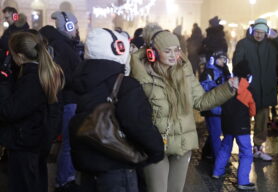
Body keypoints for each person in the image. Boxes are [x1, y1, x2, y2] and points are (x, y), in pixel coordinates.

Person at [130, 23, 238, 192]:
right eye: (168, 51)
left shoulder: (185, 71)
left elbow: (201, 101)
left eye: (177, 50)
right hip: (155, 145)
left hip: (182, 144)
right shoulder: (141, 72)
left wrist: (227, 89)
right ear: (153, 53)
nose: (174, 56)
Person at [69, 28, 164, 192]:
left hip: (86, 168)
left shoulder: (79, 81)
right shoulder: (125, 85)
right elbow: (137, 124)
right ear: (118, 49)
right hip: (118, 168)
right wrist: (156, 150)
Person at [0, 32, 64, 192]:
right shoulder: (44, 73)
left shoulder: (32, 80)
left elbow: (9, 110)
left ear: (20, 56)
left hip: (26, 144)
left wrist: (4, 82)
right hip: (35, 142)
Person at [232, 18, 278, 161]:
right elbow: (237, 63)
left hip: (266, 89)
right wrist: (245, 78)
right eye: (257, 32)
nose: (259, 35)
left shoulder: (272, 44)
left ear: (266, 32)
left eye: (262, 32)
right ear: (253, 31)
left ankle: (258, 148)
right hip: (248, 90)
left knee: (262, 121)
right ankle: (244, 149)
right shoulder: (243, 44)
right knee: (243, 121)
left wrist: (277, 38)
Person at [40, 11, 82, 192]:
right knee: (68, 143)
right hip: (68, 100)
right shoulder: (63, 47)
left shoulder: (61, 44)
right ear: (68, 26)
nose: (77, 29)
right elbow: (68, 77)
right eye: (74, 24)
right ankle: (64, 180)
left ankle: (65, 178)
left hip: (66, 100)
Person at [213, 59, 256, 191]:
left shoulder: (227, 85)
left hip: (227, 125)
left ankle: (217, 172)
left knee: (225, 148)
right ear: (247, 74)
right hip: (242, 127)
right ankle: (243, 181)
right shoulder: (248, 90)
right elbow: (252, 110)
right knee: (246, 152)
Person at [200, 50, 231, 162]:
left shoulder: (225, 71)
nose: (223, 61)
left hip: (222, 107)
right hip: (212, 107)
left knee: (216, 132)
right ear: (214, 59)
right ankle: (219, 160)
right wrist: (215, 84)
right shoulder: (208, 72)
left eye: (224, 59)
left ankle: (207, 153)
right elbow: (202, 87)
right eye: (220, 58)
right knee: (216, 133)